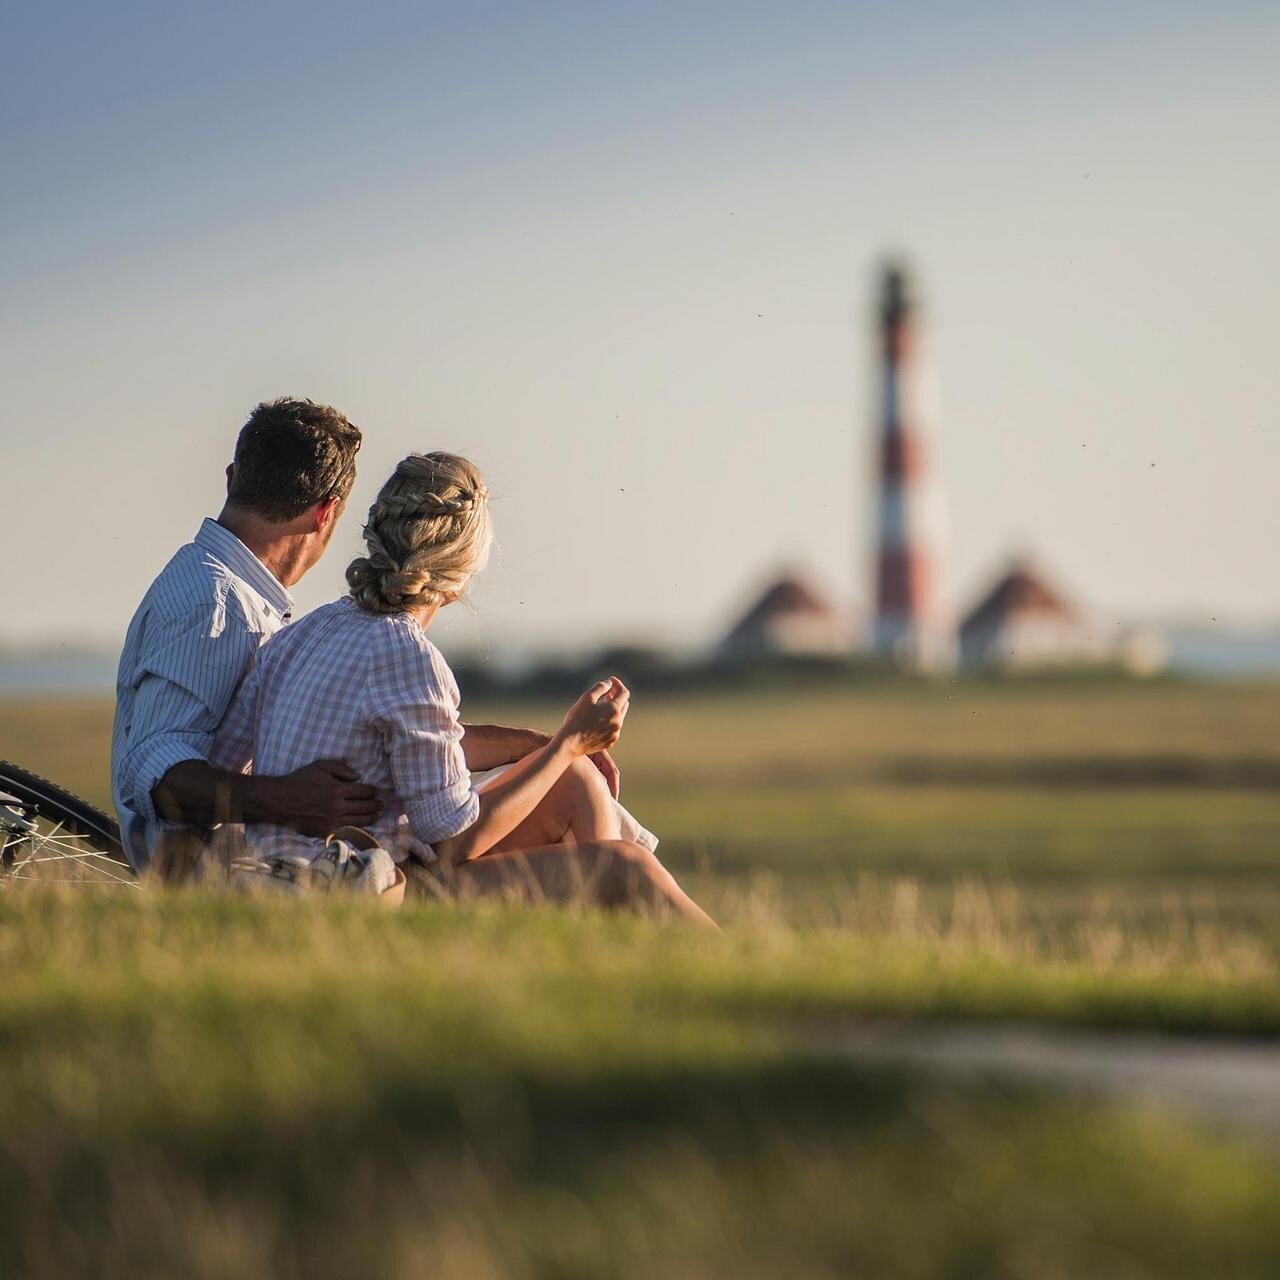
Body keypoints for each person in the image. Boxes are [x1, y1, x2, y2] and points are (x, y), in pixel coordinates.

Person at [210, 452, 714, 924]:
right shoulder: (408, 656)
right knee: (625, 867)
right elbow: (454, 840)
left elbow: (395, 740)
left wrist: (546, 750)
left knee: (575, 779)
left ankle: (593, 955)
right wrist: (569, 744)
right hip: (361, 892)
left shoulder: (304, 633)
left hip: (286, 869)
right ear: (464, 566)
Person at [112, 399, 594, 876]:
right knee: (581, 816)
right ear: (327, 513)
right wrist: (286, 801)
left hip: (280, 858)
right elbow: (152, 770)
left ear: (233, 477)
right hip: (251, 876)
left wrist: (533, 745)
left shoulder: (273, 613)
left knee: (557, 781)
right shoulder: (217, 604)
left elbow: (390, 741)